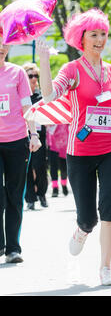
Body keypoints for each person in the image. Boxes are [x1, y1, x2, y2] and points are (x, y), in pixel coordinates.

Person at [36, 9, 111, 285]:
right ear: (82, 38)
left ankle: (105, 268)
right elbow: (50, 95)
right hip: (80, 153)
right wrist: (44, 61)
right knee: (88, 218)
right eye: (94, 35)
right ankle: (82, 229)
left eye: (103, 34)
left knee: (110, 209)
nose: (100, 39)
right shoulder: (72, 70)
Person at [0, 37, 42, 263]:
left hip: (17, 141)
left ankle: (13, 249)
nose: (1, 47)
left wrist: (33, 134)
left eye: (4, 43)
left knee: (15, 195)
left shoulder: (17, 73)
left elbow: (28, 105)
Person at [23, 63, 48, 210]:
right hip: (23, 136)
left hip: (40, 137)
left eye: (35, 75)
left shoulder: (41, 97)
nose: (33, 78)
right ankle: (30, 199)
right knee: (27, 168)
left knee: (40, 167)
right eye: (30, 75)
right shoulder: (21, 95)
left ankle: (42, 193)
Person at [47, 124, 69, 197]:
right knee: (53, 168)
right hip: (53, 145)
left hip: (64, 146)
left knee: (64, 169)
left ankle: (64, 184)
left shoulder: (65, 116)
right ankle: (55, 188)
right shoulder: (51, 117)